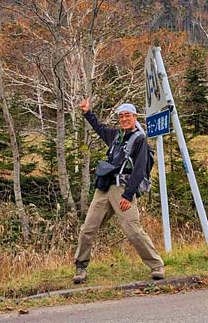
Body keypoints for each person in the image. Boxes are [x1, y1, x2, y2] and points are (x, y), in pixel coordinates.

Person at [72, 98, 164, 284]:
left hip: (123, 189)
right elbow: (99, 128)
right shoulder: (115, 136)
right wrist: (87, 112)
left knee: (133, 230)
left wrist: (128, 195)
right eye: (121, 116)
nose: (124, 119)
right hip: (104, 188)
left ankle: (157, 266)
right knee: (87, 229)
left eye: (127, 115)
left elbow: (140, 170)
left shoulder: (140, 140)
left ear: (134, 117)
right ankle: (80, 267)